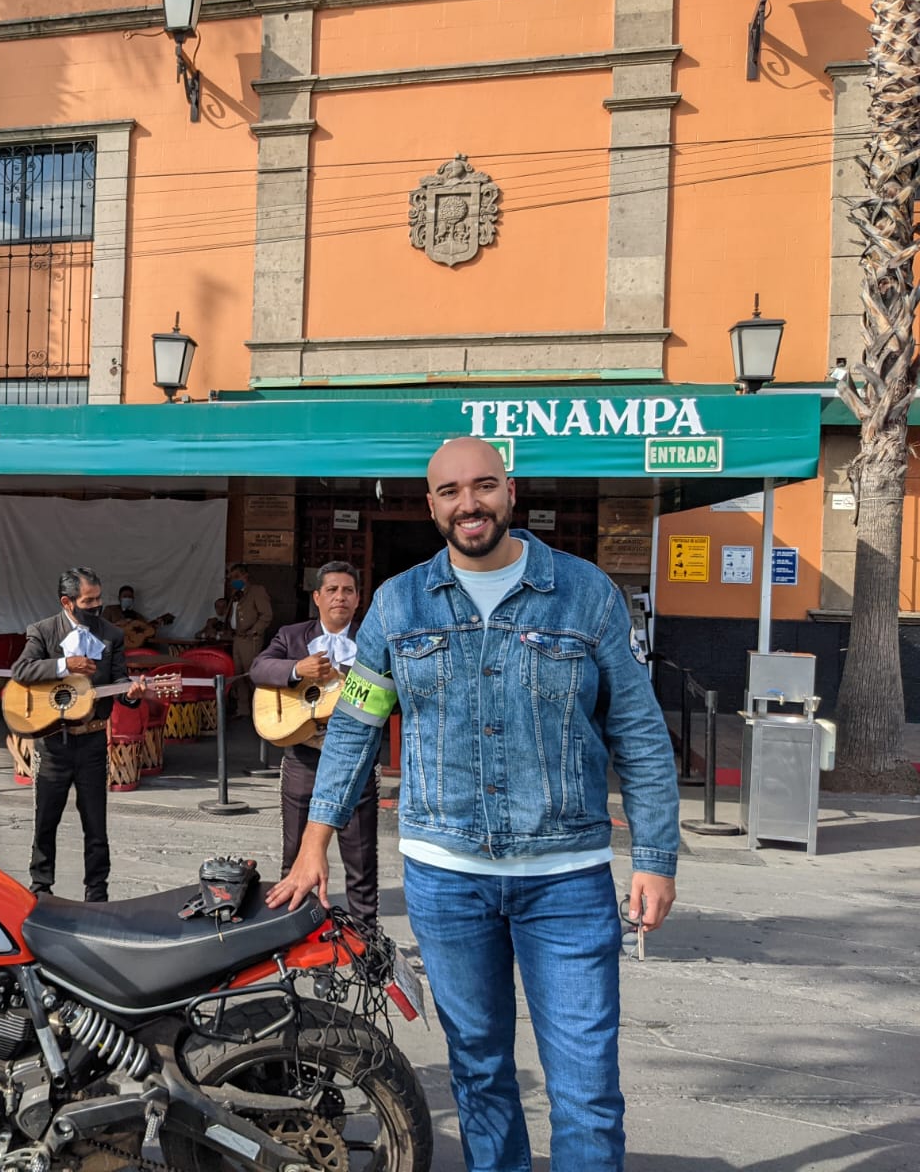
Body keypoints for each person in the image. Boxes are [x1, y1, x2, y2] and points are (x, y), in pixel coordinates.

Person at [268, 437, 679, 1172]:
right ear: (430, 506)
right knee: (481, 1077)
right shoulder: (397, 605)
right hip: (444, 879)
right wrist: (313, 844)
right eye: (450, 491)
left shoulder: (586, 594)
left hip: (568, 879)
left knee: (586, 1091)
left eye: (483, 486)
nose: (469, 503)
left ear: (510, 493)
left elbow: (639, 731)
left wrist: (654, 857)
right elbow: (356, 728)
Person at [250, 560, 378, 923]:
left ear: (357, 600)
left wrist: (349, 684)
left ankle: (366, 940)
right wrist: (296, 670)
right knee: (295, 852)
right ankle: (296, 932)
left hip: (357, 763)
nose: (341, 597)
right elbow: (259, 668)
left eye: (349, 591)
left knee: (361, 857)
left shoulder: (371, 639)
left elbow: (392, 694)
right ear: (318, 597)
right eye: (333, 590)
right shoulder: (292, 636)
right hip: (304, 758)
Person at [11, 567, 141, 901]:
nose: (96, 606)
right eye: (88, 600)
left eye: (99, 598)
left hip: (93, 740)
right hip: (53, 742)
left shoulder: (111, 634)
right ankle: (41, 889)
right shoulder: (43, 631)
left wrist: (131, 693)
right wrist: (64, 666)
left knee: (96, 823)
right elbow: (21, 671)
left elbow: (120, 682)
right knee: (46, 821)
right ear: (67, 602)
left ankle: (97, 893)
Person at [226, 563, 272, 717]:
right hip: (237, 638)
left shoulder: (256, 591)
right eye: (231, 578)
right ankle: (243, 709)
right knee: (238, 675)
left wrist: (255, 631)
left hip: (250, 639)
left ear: (245, 576)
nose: (234, 580)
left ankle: (263, 708)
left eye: (237, 577)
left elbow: (266, 615)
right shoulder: (235, 594)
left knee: (250, 674)